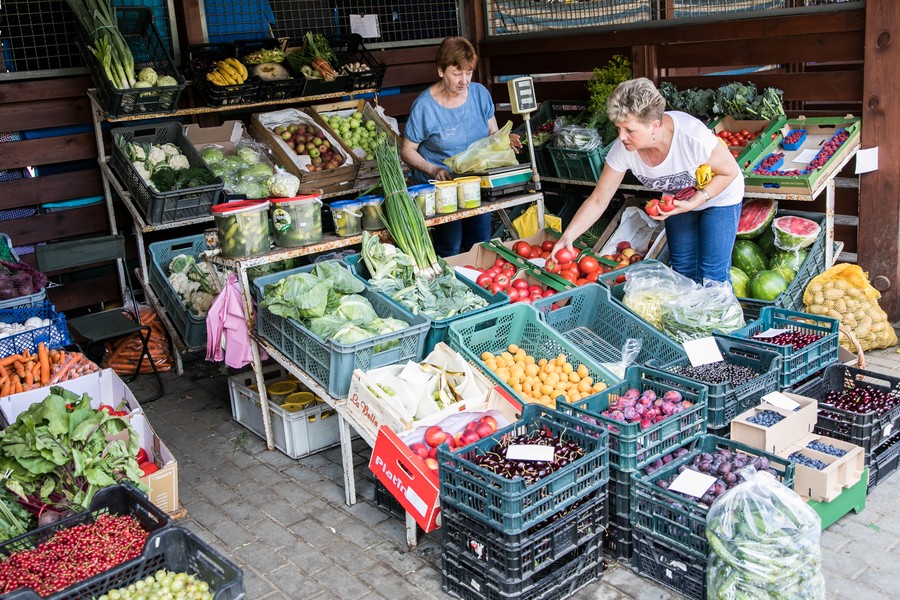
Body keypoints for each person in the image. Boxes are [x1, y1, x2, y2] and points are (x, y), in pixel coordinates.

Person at [551, 77, 744, 284]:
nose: (622, 137)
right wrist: (568, 236)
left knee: (712, 275)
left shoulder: (691, 136)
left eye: (629, 130)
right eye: (618, 128)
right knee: (682, 269)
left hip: (718, 196)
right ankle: (688, 316)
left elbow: (729, 171)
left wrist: (698, 200)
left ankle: (722, 316)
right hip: (677, 200)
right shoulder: (623, 149)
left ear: (655, 125)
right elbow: (598, 199)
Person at [401, 36, 522, 257]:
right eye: (456, 74)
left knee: (480, 244)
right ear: (440, 71)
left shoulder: (479, 94)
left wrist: (506, 139)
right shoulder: (425, 107)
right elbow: (407, 150)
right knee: (451, 247)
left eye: (468, 73)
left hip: (476, 184)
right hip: (443, 188)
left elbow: (492, 135)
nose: (464, 80)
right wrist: (433, 169)